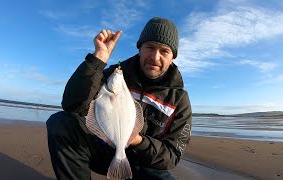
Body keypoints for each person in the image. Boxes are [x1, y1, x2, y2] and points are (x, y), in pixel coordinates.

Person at [46, 17, 192, 180]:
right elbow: (73, 105)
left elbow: (171, 156)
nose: (155, 57)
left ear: (173, 56)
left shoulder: (179, 100)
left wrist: (137, 140)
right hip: (102, 148)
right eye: (149, 47)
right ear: (140, 49)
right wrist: (98, 59)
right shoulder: (115, 75)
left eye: (164, 51)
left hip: (144, 162)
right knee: (61, 123)